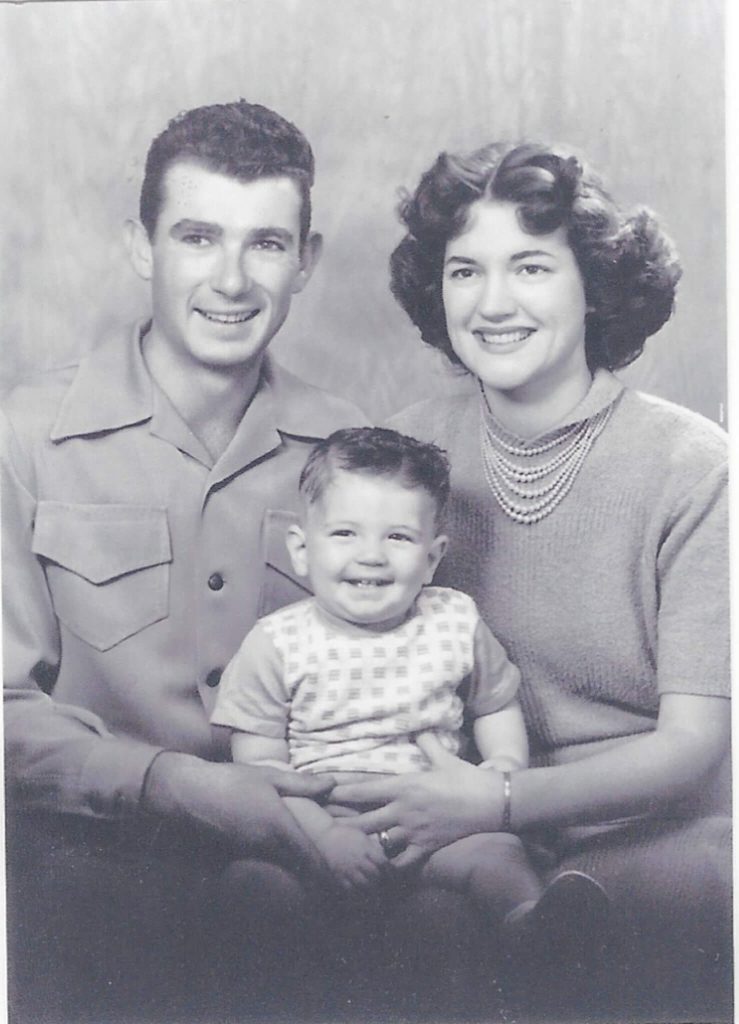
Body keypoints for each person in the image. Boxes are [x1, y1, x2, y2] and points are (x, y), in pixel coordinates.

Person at [331, 142, 731, 1021]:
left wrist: (504, 797)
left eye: (530, 266)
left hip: (647, 837)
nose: (493, 302)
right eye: (465, 269)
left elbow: (694, 745)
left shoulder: (696, 467)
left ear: (592, 285)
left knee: (595, 940)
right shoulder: (400, 456)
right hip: (457, 834)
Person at [2, 99, 367, 1022]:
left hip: (306, 863)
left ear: (307, 261)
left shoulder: (357, 453)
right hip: (78, 876)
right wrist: (173, 784)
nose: (233, 281)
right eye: (198, 236)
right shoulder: (22, 438)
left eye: (268, 245)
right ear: (141, 245)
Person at [211, 425, 609, 939]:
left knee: (497, 854)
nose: (371, 555)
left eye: (397, 536)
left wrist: (503, 768)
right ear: (301, 548)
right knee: (253, 882)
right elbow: (261, 771)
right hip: (318, 824)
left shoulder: (454, 620)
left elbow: (495, 705)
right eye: (344, 533)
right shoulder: (276, 642)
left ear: (432, 558)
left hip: (440, 821)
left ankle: (530, 929)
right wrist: (325, 836)